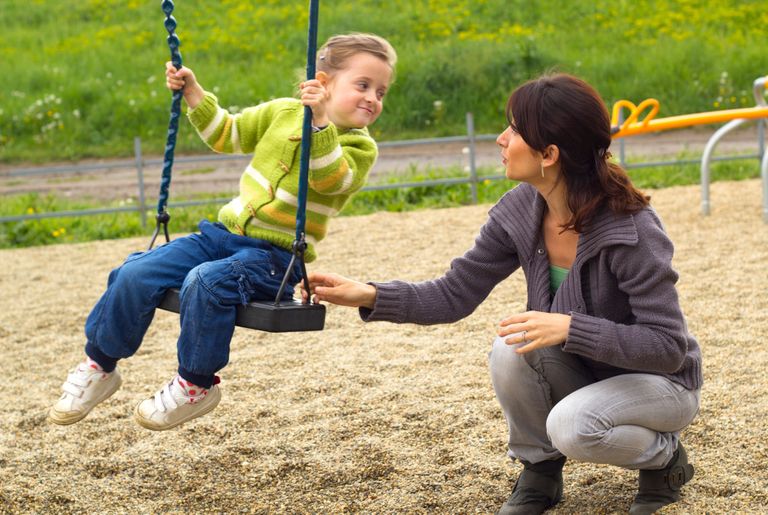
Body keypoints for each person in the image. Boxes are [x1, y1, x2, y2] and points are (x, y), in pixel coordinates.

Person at [300, 73, 702, 514]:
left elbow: (668, 348)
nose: (500, 139)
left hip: (661, 386)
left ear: (549, 154)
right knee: (510, 347)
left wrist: (571, 326)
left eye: (513, 131)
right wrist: (369, 294)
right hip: (588, 372)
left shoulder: (632, 228)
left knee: (573, 426)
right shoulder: (520, 211)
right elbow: (454, 294)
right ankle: (541, 471)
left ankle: (665, 459)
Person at [49, 33, 397, 431]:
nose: (373, 98)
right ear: (323, 81)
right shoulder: (281, 112)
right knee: (135, 272)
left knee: (206, 282)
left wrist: (319, 124)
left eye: (381, 92)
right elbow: (226, 134)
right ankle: (100, 364)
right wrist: (194, 93)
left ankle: (195, 384)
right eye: (363, 85)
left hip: (274, 259)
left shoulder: (358, 147)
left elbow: (332, 179)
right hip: (220, 236)